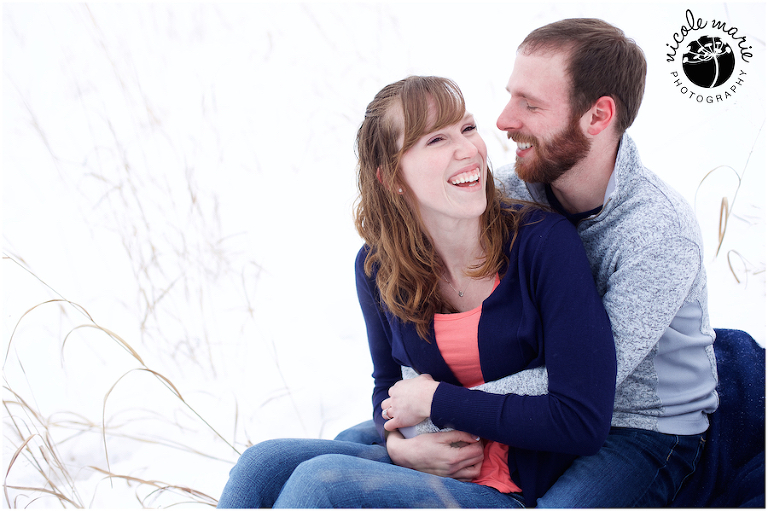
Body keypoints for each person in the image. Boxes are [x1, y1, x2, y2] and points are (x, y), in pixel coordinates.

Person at [338, 18, 720, 508]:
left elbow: (584, 388)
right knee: (299, 462)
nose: (501, 121)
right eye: (509, 95)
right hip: (516, 419)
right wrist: (401, 437)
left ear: (597, 116)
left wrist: (433, 407)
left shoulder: (658, 232)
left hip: (641, 427)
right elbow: (393, 381)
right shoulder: (507, 190)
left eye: (530, 104)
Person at [216, 75, 617, 508]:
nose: (468, 150)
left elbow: (581, 421)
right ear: (392, 177)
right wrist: (398, 448)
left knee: (319, 484)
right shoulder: (377, 266)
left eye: (467, 128)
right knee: (260, 465)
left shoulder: (542, 243)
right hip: (426, 462)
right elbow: (387, 384)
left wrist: (437, 401)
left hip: (510, 485)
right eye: (436, 140)